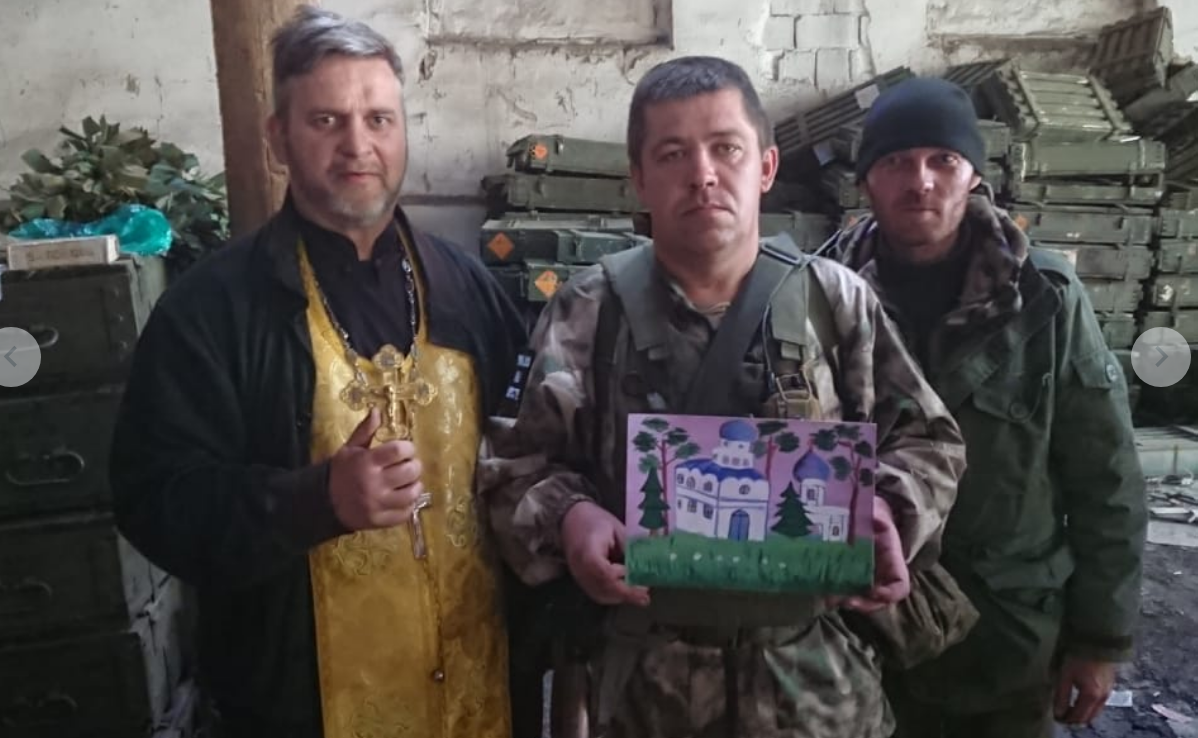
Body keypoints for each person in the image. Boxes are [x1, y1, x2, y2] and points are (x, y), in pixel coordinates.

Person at [481, 56, 968, 738]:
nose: (703, 174)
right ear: (639, 178)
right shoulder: (591, 310)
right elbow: (513, 466)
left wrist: (889, 507)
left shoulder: (834, 301)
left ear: (765, 167)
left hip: (816, 688)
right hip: (642, 691)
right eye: (673, 153)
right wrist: (571, 519)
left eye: (726, 148)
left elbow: (928, 440)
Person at [108, 7, 526, 738]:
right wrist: (313, 501)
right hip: (295, 706)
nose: (358, 146)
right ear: (279, 138)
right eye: (326, 121)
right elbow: (154, 500)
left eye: (379, 119)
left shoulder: (469, 292)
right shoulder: (211, 311)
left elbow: (531, 460)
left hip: (477, 695)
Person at [832, 76, 1148, 737]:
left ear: (974, 175)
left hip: (1005, 639)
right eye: (896, 161)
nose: (920, 181)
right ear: (865, 181)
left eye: (943, 160)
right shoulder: (820, 297)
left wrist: (1099, 639)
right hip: (859, 639)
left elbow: (1105, 475)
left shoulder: (1044, 299)